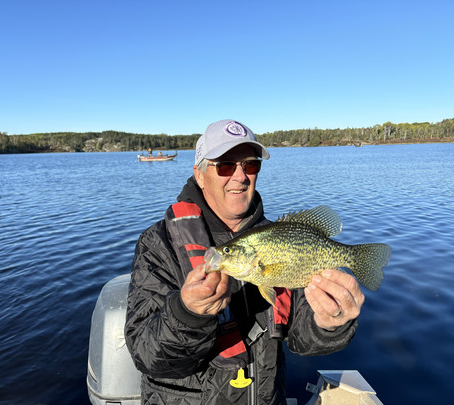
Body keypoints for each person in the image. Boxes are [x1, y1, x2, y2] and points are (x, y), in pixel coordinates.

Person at [125, 119, 364, 404]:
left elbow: (302, 338)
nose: (240, 176)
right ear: (199, 175)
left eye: (250, 165)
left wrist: (330, 324)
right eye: (225, 165)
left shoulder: (278, 239)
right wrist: (186, 314)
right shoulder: (159, 243)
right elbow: (147, 355)